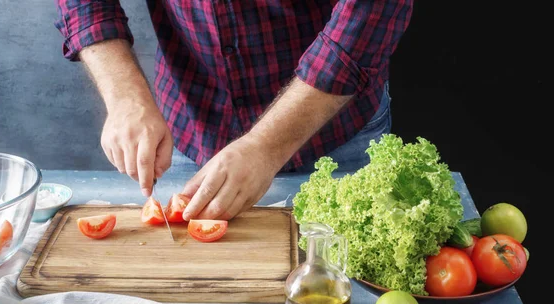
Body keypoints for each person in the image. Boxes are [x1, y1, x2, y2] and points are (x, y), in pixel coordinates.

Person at [54, 0, 413, 220]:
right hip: (188, 128)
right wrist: (125, 97)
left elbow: (374, 9)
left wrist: (267, 145)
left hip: (334, 136)